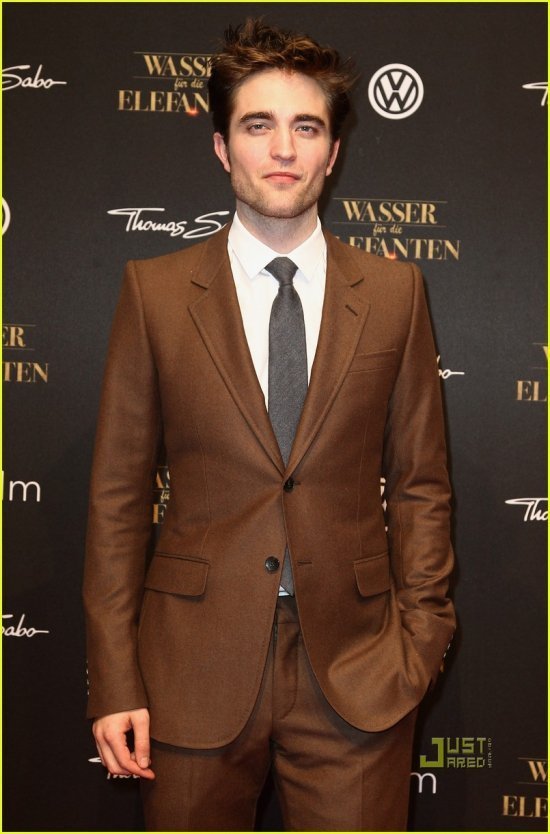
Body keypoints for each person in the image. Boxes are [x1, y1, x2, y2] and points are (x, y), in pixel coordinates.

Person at [83, 18, 455, 832]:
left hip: (358, 673)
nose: (283, 149)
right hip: (190, 670)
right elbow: (116, 500)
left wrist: (421, 641)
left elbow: (421, 484)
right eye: (259, 126)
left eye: (306, 128)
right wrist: (115, 679)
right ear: (223, 148)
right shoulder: (154, 293)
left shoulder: (396, 294)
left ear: (333, 151)